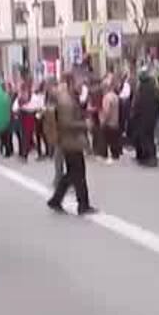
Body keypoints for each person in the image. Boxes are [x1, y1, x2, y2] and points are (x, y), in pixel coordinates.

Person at [44, 75, 94, 215]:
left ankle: (56, 200)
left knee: (73, 173)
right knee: (78, 173)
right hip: (70, 141)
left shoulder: (69, 98)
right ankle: (83, 205)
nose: (82, 86)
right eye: (79, 83)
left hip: (70, 141)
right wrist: (85, 124)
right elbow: (66, 124)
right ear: (70, 83)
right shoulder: (66, 101)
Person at [126, 71, 159, 167]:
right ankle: (151, 157)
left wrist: (133, 115)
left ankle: (148, 157)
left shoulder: (141, 89)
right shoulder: (154, 89)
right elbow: (157, 103)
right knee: (150, 136)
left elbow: (136, 104)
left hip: (142, 117)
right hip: (151, 117)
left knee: (144, 137)